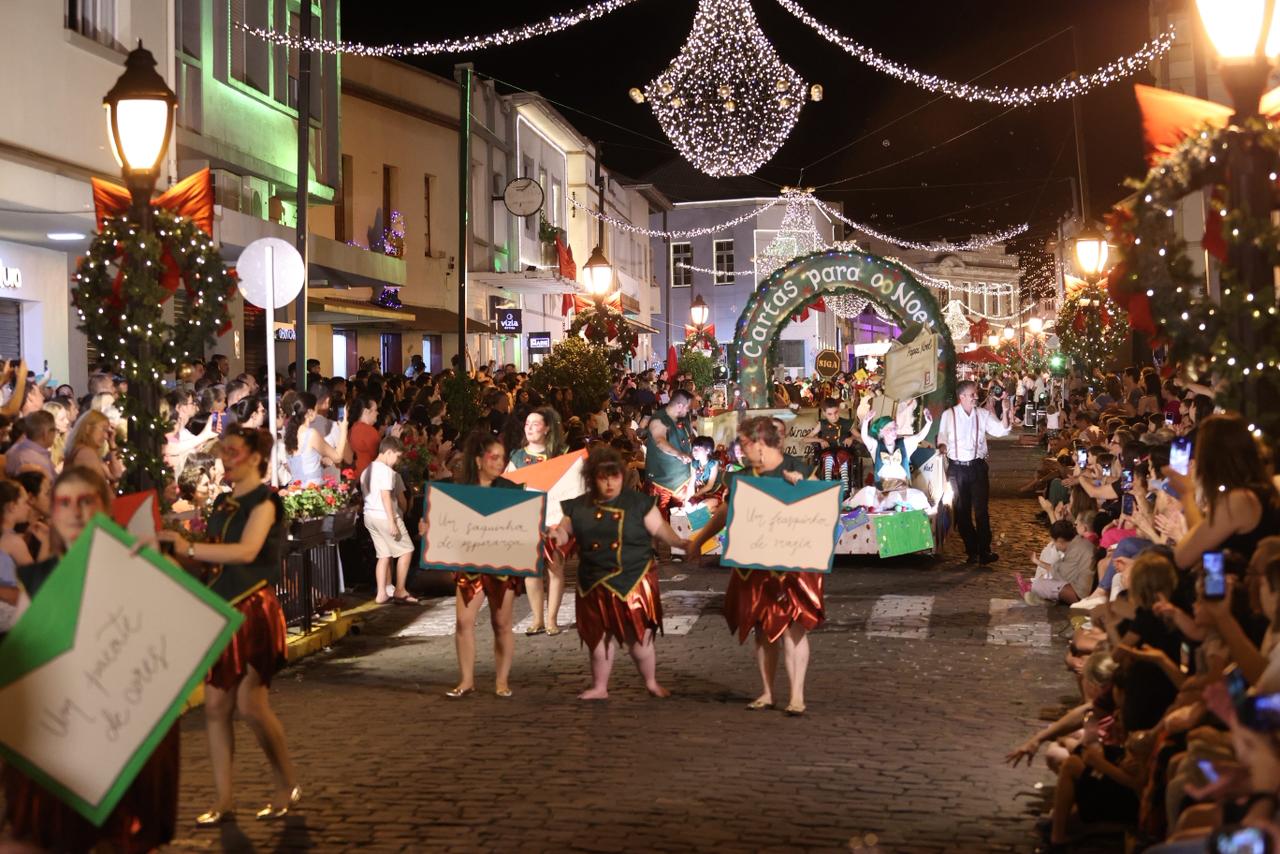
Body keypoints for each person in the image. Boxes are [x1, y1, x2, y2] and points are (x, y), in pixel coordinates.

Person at [3, 467, 180, 852]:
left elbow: (177, 628)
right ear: (53, 512)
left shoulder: (139, 562)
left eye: (87, 501)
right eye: (65, 503)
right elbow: (22, 658)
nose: (77, 512)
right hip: (64, 734)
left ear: (105, 506)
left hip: (124, 730)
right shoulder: (40, 578)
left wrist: (162, 565)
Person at [145, 426, 300, 825]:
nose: (226, 459)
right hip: (221, 607)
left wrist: (189, 547)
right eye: (224, 451)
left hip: (253, 609)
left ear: (254, 457)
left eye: (233, 452)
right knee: (216, 706)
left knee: (251, 704)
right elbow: (212, 562)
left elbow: (247, 551)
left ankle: (285, 783)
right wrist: (170, 551)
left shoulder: (265, 501)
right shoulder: (223, 504)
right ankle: (224, 800)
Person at [687, 416, 821, 716]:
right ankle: (767, 692)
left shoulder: (798, 469)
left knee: (793, 629)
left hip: (792, 565)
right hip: (755, 565)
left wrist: (801, 490)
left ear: (761, 444)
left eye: (745, 444)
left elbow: (822, 507)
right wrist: (699, 540)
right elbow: (724, 512)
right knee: (762, 630)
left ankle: (797, 695)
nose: (741, 450)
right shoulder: (743, 476)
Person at [551, 445, 686, 700]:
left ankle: (651, 682)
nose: (610, 483)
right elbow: (563, 532)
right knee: (599, 640)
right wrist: (554, 535)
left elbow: (660, 529)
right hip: (594, 581)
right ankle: (600, 687)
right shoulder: (578, 507)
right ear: (592, 479)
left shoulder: (639, 503)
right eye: (603, 478)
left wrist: (680, 542)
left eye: (614, 476)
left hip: (633, 579)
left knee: (640, 641)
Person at [428, 432, 522, 698]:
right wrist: (430, 529)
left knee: (501, 623)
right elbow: (447, 528)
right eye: (494, 457)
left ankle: (502, 681)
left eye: (502, 458)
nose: (500, 463)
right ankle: (466, 679)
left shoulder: (510, 490)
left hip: (502, 566)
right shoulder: (461, 491)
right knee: (463, 621)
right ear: (479, 460)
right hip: (470, 565)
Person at [506, 407, 568, 636]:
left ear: (547, 428)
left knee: (555, 568)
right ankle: (537, 619)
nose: (530, 428)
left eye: (535, 423)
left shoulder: (560, 454)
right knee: (531, 571)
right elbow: (508, 486)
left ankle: (551, 619)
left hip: (554, 517)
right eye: (527, 424)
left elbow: (571, 488)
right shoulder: (518, 456)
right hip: (528, 517)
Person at [936, 379, 1012, 565]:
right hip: (957, 468)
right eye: (972, 395)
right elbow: (942, 437)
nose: (976, 397)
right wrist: (942, 447)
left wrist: (1006, 410)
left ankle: (984, 550)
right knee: (961, 512)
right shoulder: (949, 415)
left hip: (977, 467)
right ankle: (972, 550)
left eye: (976, 394)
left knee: (981, 511)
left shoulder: (982, 414)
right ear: (961, 397)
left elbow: (1001, 430)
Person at [362, 435, 418, 605]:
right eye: (397, 456)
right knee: (407, 549)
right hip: (384, 515)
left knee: (384, 555)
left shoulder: (367, 469)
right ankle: (400, 590)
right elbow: (385, 495)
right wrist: (392, 521)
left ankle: (381, 593)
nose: (397, 461)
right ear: (388, 452)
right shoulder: (386, 471)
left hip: (369, 515)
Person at [850, 400, 933, 511]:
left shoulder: (904, 444)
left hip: (902, 490)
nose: (893, 431)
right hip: (882, 492)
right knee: (866, 496)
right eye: (889, 429)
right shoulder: (876, 446)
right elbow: (865, 438)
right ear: (881, 431)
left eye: (894, 428)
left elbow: (919, 437)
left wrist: (928, 423)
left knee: (916, 497)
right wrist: (865, 422)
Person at [643, 389, 695, 518]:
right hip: (660, 482)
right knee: (658, 521)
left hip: (684, 480)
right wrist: (679, 454)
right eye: (687, 407)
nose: (688, 410)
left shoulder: (683, 420)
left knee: (683, 520)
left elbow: (691, 439)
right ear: (679, 406)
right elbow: (660, 441)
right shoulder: (659, 420)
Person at [284, 391, 348, 486]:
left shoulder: (289, 433)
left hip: (296, 491)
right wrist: (343, 430)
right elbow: (338, 457)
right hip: (311, 492)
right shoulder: (311, 434)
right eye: (315, 408)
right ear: (310, 412)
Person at [803, 397, 856, 500]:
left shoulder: (846, 423)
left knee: (843, 459)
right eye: (830, 414)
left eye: (836, 412)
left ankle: (845, 489)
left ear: (838, 410)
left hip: (843, 449)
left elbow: (859, 436)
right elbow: (805, 439)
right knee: (828, 458)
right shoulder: (822, 424)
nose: (834, 417)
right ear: (824, 413)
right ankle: (828, 486)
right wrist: (820, 440)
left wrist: (851, 437)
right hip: (827, 450)